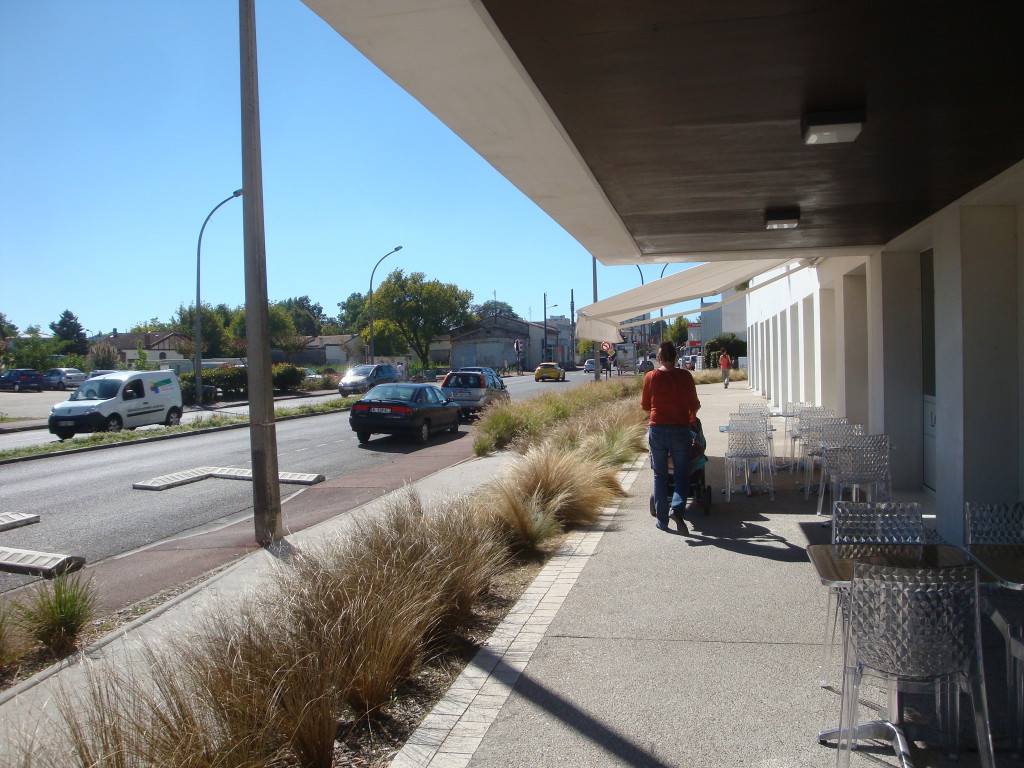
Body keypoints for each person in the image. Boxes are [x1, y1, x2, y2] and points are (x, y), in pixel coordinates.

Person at [642, 341, 701, 533]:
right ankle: (677, 509)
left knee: (660, 475)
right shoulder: (685, 376)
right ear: (676, 357)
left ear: (658, 358)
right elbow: (694, 403)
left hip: (657, 429)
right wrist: (689, 417)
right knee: (682, 474)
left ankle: (662, 521)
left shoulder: (651, 377)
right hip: (680, 429)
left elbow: (645, 405)